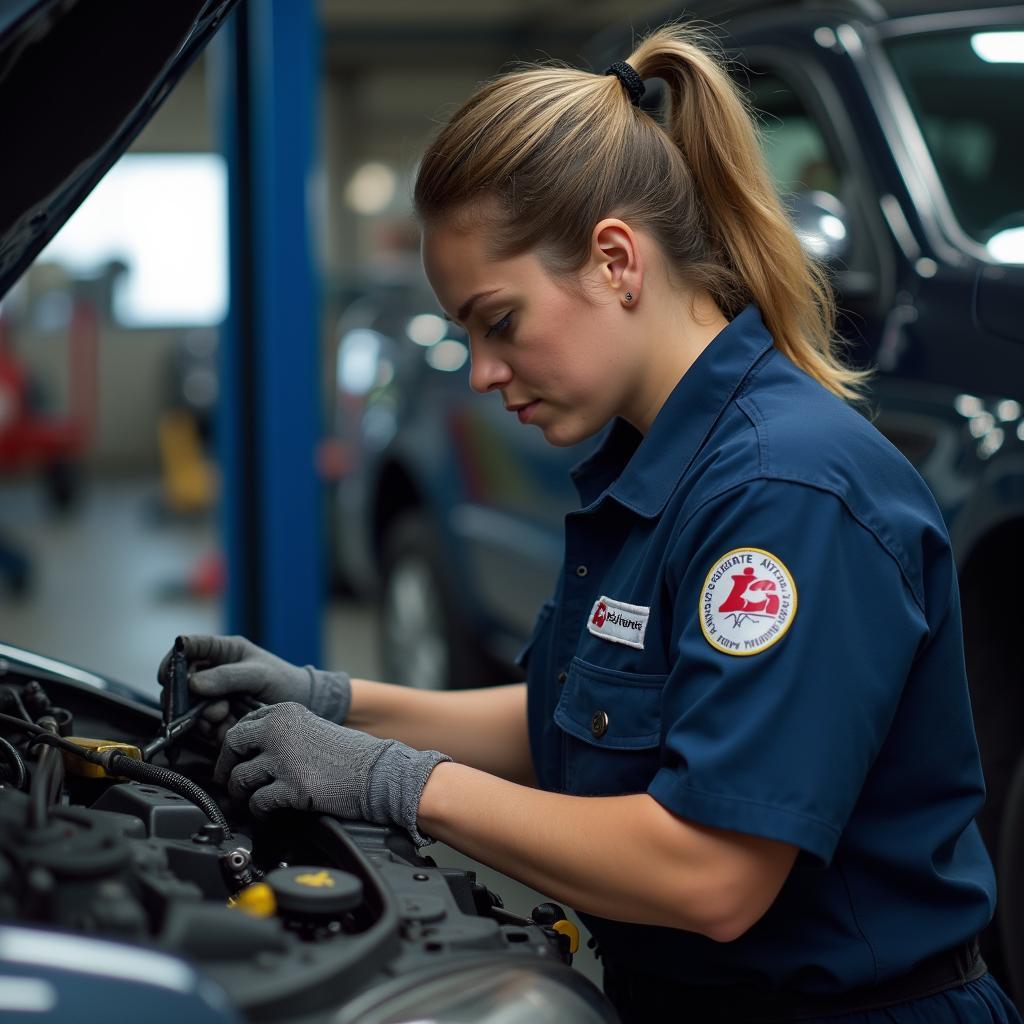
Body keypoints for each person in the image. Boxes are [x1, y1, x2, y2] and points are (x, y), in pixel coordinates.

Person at [158, 21, 1022, 1023]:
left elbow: (710, 873)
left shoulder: (782, 493)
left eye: (501, 320)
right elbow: (567, 721)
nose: (480, 372)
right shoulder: (654, 464)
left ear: (616, 259)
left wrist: (395, 781)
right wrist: (332, 697)